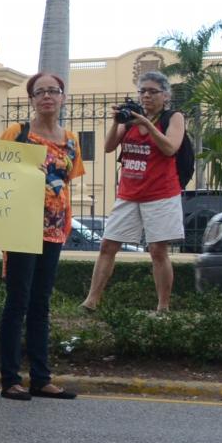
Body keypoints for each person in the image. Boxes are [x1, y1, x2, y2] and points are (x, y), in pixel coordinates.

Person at [0, 73, 84, 400]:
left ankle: (41, 377)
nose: (47, 96)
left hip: (54, 230)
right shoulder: (18, 133)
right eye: (40, 92)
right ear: (31, 99)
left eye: (53, 91)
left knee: (40, 303)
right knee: (17, 302)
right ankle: (10, 379)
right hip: (21, 227)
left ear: (62, 97)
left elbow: (67, 179)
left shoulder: (72, 139)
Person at [82, 70, 187, 314]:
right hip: (128, 193)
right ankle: (91, 301)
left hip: (161, 194)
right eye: (142, 91)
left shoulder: (173, 118)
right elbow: (108, 147)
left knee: (158, 251)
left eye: (152, 91)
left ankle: (163, 306)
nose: (146, 96)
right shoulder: (129, 119)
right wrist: (117, 122)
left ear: (165, 96)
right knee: (107, 245)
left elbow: (170, 148)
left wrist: (147, 124)